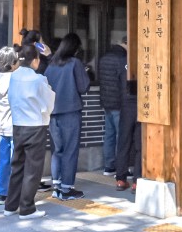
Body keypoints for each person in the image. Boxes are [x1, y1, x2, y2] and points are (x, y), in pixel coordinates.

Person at [3, 44, 55, 219]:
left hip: (18, 125)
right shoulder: (38, 79)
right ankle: (27, 208)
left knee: (17, 166)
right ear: (35, 60)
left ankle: (10, 205)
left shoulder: (13, 77)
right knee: (33, 168)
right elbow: (48, 104)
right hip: (35, 126)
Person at [43, 33, 90, 200]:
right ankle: (67, 189)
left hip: (53, 113)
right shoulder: (75, 63)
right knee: (70, 150)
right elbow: (83, 87)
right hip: (70, 111)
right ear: (75, 48)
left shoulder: (51, 64)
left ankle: (56, 186)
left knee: (57, 150)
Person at [97, 36, 127, 181]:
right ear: (127, 44)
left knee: (109, 134)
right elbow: (123, 83)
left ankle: (109, 166)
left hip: (106, 102)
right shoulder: (122, 59)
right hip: (119, 103)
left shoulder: (104, 58)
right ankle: (121, 167)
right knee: (121, 136)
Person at [0, 46, 18, 206]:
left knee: (4, 161)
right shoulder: (14, 79)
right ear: (12, 63)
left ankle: (2, 193)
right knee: (16, 161)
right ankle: (15, 191)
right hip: (15, 125)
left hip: (2, 125)